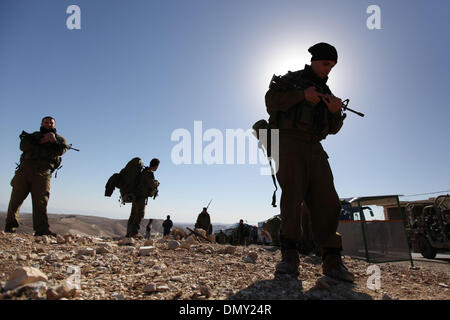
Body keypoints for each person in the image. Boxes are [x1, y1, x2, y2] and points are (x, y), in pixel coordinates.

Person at [265, 42, 354, 282]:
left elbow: (332, 129)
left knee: (327, 199)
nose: (329, 69)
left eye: (332, 66)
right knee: (292, 198)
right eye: (326, 63)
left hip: (315, 147)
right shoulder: (291, 80)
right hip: (289, 143)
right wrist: (301, 95)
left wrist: (336, 112)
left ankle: (332, 259)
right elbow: (271, 101)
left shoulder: (327, 90)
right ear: (314, 60)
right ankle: (290, 256)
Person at [4, 116, 68, 236]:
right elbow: (22, 146)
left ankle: (41, 229)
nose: (49, 124)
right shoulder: (33, 136)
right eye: (46, 122)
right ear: (41, 124)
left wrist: (54, 141)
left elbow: (61, 151)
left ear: (54, 125)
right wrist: (41, 140)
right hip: (25, 170)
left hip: (43, 173)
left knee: (41, 201)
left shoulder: (60, 139)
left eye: (51, 123)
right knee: (16, 199)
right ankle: (10, 227)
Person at [126, 158, 160, 238]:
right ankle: (134, 233)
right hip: (140, 197)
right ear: (156, 166)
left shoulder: (144, 171)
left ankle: (129, 233)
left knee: (133, 215)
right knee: (140, 214)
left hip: (135, 195)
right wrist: (156, 183)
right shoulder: (148, 172)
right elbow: (151, 183)